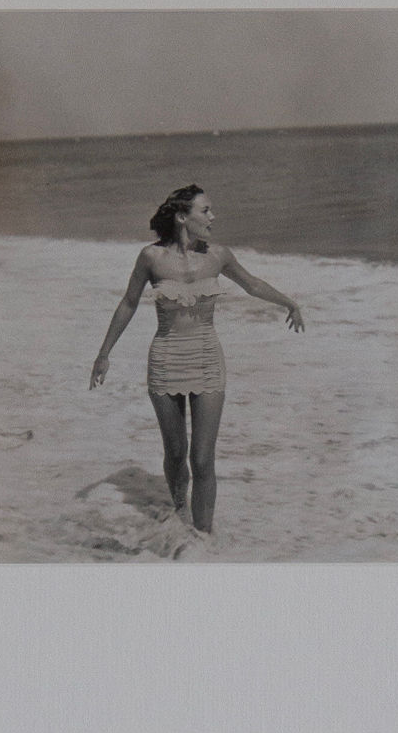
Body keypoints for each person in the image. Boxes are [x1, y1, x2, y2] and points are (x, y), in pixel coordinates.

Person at [88, 183, 304, 537]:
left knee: (202, 459)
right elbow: (128, 303)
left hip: (206, 357)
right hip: (166, 357)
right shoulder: (151, 258)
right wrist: (104, 354)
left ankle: (203, 538)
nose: (213, 217)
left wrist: (290, 302)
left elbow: (251, 284)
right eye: (206, 210)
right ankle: (178, 517)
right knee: (175, 453)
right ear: (182, 217)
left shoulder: (218, 255)